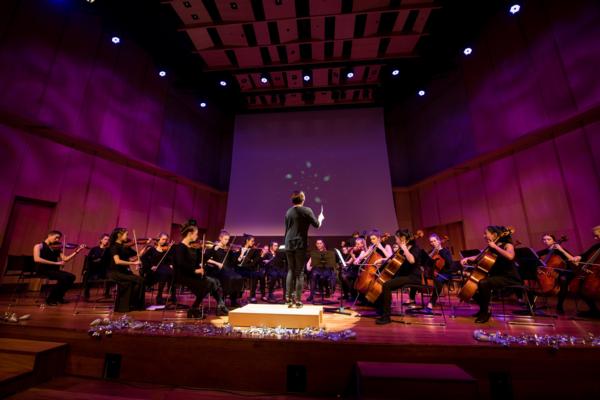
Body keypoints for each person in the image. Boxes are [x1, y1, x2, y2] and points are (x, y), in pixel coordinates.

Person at [460, 226, 522, 323]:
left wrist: (495, 247)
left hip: (508, 277)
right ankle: (483, 309)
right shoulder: (491, 246)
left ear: (494, 235)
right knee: (471, 288)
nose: (484, 235)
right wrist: (467, 258)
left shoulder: (507, 244)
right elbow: (479, 256)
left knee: (483, 283)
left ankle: (486, 312)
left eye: (486, 233)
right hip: (496, 276)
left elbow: (510, 256)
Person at [172, 220, 228, 318]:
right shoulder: (180, 247)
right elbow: (180, 264)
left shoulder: (193, 247)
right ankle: (201, 307)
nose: (197, 237)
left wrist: (211, 249)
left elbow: (203, 259)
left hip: (192, 275)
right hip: (183, 275)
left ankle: (202, 307)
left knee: (213, 281)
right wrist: (195, 270)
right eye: (196, 234)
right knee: (208, 283)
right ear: (189, 234)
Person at [284, 190, 324, 307]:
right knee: (300, 272)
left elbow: (287, 229)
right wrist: (320, 218)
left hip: (288, 243)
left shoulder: (288, 212)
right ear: (302, 199)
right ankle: (298, 300)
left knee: (291, 270)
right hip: (300, 243)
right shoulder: (307, 210)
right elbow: (317, 225)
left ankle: (288, 298)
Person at [375, 229, 422, 325]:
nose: (396, 241)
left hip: (413, 277)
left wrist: (404, 248)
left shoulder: (415, 248)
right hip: (404, 275)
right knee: (383, 282)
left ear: (403, 238)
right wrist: (383, 260)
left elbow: (412, 260)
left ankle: (386, 317)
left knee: (387, 285)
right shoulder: (401, 249)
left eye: (397, 238)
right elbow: (392, 259)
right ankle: (382, 310)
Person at [33, 230, 83, 305]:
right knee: (64, 277)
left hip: (54, 270)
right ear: (49, 236)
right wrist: (56, 263)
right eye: (56, 238)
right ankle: (50, 299)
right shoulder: (39, 246)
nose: (57, 240)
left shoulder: (56, 248)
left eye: (58, 238)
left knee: (72, 277)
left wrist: (77, 251)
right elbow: (37, 259)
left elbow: (65, 259)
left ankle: (59, 297)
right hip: (43, 270)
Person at [108, 227, 146, 312]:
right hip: (115, 272)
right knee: (138, 280)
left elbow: (137, 256)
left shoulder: (124, 247)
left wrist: (146, 246)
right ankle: (130, 305)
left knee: (140, 280)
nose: (127, 236)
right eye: (126, 234)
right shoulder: (114, 246)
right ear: (119, 235)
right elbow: (117, 261)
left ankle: (132, 304)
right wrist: (134, 263)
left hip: (124, 272)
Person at [536, 234, 575, 315]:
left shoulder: (560, 251)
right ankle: (531, 304)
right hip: (549, 272)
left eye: (548, 239)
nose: (546, 241)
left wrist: (561, 250)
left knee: (563, 280)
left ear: (553, 240)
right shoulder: (544, 251)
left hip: (563, 271)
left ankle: (560, 305)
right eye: (544, 239)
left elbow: (572, 259)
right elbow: (534, 258)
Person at [205, 230, 245, 308]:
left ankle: (233, 299)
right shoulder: (214, 247)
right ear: (220, 238)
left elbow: (234, 262)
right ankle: (222, 300)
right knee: (230, 278)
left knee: (239, 277)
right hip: (217, 270)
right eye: (225, 239)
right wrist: (217, 263)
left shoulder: (228, 249)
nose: (227, 241)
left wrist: (240, 254)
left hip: (227, 269)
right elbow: (206, 259)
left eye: (228, 239)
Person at [569, 225, 600, 318]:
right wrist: (578, 257)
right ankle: (594, 310)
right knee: (580, 288)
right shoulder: (597, 246)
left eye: (597, 235)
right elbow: (585, 255)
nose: (595, 238)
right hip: (594, 273)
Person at [141, 232, 176, 305]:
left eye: (166, 240)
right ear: (158, 239)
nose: (165, 241)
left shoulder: (167, 250)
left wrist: (171, 264)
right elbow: (143, 258)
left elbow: (170, 260)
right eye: (163, 239)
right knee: (165, 273)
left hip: (164, 269)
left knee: (172, 273)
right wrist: (151, 266)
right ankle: (159, 296)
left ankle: (173, 296)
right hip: (154, 271)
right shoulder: (152, 249)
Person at [235, 234, 266, 303]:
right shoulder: (240, 249)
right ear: (247, 241)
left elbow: (256, 262)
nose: (253, 242)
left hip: (248, 269)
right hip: (240, 269)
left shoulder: (254, 251)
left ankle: (253, 296)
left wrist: (261, 256)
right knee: (243, 276)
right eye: (252, 241)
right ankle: (239, 296)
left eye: (254, 241)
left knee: (257, 274)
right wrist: (241, 255)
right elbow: (236, 261)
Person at [83, 233, 111, 301]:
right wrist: (86, 268)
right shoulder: (94, 249)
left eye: (108, 240)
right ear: (101, 240)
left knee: (109, 273)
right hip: (94, 268)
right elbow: (89, 259)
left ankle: (107, 292)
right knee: (87, 273)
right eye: (105, 239)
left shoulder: (108, 250)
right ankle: (86, 293)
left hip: (103, 269)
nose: (106, 241)